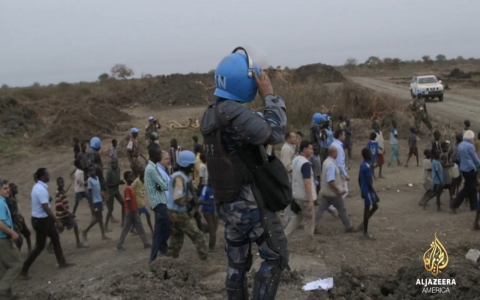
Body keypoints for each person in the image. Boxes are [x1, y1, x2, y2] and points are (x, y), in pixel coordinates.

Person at [199, 47, 288, 299]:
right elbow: (276, 133)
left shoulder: (211, 113)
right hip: (249, 203)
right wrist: (270, 96)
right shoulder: (233, 112)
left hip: (228, 204)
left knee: (237, 264)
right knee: (275, 255)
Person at [21, 168, 74, 279]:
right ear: (42, 177)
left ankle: (62, 262)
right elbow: (45, 208)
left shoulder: (39, 187)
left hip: (43, 219)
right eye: (47, 174)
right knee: (40, 246)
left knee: (55, 238)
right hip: (40, 221)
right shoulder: (40, 189)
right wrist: (57, 221)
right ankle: (24, 268)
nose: (49, 176)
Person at [166, 151, 208, 260]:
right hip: (179, 213)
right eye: (191, 164)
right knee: (199, 236)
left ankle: (170, 261)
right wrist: (193, 200)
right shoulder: (179, 178)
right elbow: (179, 199)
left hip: (174, 212)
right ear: (185, 165)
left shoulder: (180, 176)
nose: (193, 167)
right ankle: (205, 260)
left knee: (177, 237)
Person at [284, 140, 317, 252]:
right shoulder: (306, 164)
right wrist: (311, 200)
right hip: (305, 198)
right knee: (309, 222)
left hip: (297, 196)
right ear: (304, 149)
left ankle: (283, 238)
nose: (312, 151)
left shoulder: (296, 160)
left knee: (297, 219)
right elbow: (307, 182)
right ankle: (310, 246)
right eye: (310, 149)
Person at [315, 146, 357, 233]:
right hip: (333, 193)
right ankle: (348, 226)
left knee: (320, 210)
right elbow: (331, 181)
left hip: (326, 192)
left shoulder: (326, 162)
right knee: (342, 209)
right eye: (337, 153)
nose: (337, 154)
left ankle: (314, 226)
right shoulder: (331, 165)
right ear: (333, 153)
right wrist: (338, 189)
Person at [145, 144, 171, 263]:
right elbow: (164, 185)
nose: (160, 155)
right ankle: (162, 247)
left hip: (158, 202)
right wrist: (160, 185)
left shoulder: (152, 167)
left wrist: (159, 185)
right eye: (158, 153)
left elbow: (160, 185)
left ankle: (153, 257)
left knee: (158, 231)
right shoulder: (151, 169)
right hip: (159, 202)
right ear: (153, 155)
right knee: (168, 225)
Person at [115, 171, 151, 251]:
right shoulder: (127, 188)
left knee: (139, 227)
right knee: (127, 228)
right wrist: (132, 211)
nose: (132, 178)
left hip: (133, 211)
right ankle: (119, 244)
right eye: (130, 176)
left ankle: (146, 243)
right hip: (131, 211)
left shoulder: (130, 187)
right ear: (126, 179)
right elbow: (128, 201)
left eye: (132, 176)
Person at [0, 178, 22, 299]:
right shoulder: (0, 203)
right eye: (5, 188)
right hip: (3, 238)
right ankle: (2, 289)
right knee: (16, 264)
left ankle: (6, 296)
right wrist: (12, 232)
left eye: (8, 187)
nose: (8, 190)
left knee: (3, 268)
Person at [54, 177, 88, 249]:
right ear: (57, 184)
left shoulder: (62, 191)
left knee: (75, 225)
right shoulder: (57, 193)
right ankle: (50, 245)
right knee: (57, 231)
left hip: (65, 215)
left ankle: (78, 243)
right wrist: (70, 213)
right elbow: (61, 206)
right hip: (61, 216)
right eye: (60, 182)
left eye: (62, 182)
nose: (62, 184)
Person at [451, 130, 480, 213]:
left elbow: (459, 157)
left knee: (472, 187)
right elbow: (474, 158)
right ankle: (454, 205)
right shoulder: (470, 146)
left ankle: (473, 205)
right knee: (467, 188)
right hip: (470, 168)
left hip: (463, 168)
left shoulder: (460, 145)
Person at [82, 165, 111, 243]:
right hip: (94, 202)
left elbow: (99, 190)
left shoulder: (97, 178)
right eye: (90, 171)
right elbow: (90, 194)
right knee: (98, 219)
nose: (92, 172)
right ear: (88, 172)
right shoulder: (89, 180)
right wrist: (91, 206)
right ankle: (85, 231)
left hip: (99, 200)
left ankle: (103, 235)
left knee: (100, 218)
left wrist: (104, 198)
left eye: (93, 170)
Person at [357, 148, 380, 239]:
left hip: (365, 190)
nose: (371, 155)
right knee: (368, 208)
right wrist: (376, 195)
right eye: (370, 153)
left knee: (374, 207)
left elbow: (359, 179)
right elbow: (369, 183)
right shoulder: (367, 167)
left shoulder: (363, 164)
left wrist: (361, 189)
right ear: (367, 155)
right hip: (368, 191)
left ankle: (363, 225)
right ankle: (365, 232)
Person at [7, 183, 32, 253]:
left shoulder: (13, 199)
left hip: (19, 218)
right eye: (15, 188)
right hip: (16, 220)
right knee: (19, 238)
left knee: (27, 234)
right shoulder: (11, 201)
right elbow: (12, 214)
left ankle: (29, 250)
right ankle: (19, 252)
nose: (16, 188)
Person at [104, 158, 125, 232]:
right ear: (111, 164)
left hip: (116, 191)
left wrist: (120, 182)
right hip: (110, 192)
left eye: (115, 163)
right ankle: (105, 226)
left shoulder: (118, 170)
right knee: (110, 209)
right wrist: (118, 183)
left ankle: (123, 221)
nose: (115, 164)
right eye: (113, 163)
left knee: (123, 204)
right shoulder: (109, 172)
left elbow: (117, 181)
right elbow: (108, 185)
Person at [131, 166, 153, 234]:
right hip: (138, 202)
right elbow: (131, 188)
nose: (143, 173)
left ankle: (132, 228)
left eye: (144, 172)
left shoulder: (144, 180)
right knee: (148, 215)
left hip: (142, 201)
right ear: (138, 173)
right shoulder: (136, 181)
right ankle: (152, 231)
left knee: (138, 216)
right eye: (141, 172)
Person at [331, 128, 350, 198]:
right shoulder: (338, 147)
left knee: (339, 190)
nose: (345, 137)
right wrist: (345, 174)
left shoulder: (333, 144)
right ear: (340, 135)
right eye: (343, 135)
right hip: (339, 171)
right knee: (344, 190)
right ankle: (333, 206)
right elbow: (339, 163)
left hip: (334, 169)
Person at [199, 182, 217, 252]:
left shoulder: (214, 188)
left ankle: (203, 229)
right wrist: (208, 203)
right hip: (207, 211)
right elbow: (200, 201)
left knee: (214, 228)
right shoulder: (206, 188)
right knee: (213, 231)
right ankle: (211, 247)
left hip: (213, 211)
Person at [450, 133, 463, 197]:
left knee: (455, 178)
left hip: (454, 162)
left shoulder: (454, 145)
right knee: (458, 178)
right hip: (458, 163)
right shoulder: (461, 146)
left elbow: (449, 153)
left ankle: (454, 192)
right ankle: (455, 191)